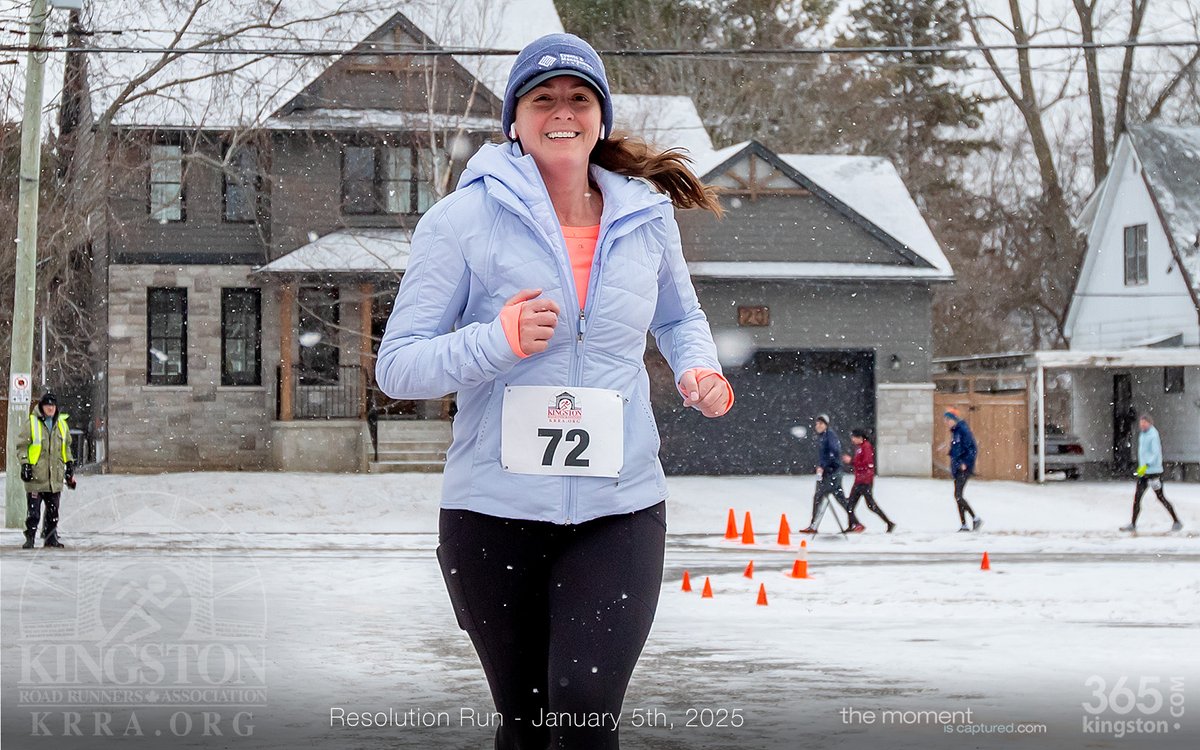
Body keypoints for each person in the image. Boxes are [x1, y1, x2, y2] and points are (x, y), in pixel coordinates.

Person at [374, 33, 733, 750]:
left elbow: (679, 314)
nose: (561, 111)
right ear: (514, 119)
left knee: (585, 706)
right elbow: (398, 367)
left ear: (599, 116)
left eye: (579, 98)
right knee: (529, 720)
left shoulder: (645, 215)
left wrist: (699, 367)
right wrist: (496, 341)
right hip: (491, 512)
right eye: (543, 99)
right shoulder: (461, 221)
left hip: (619, 505)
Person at [17, 392, 76, 549]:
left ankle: (51, 538)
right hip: (37, 476)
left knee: (53, 512)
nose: (50, 408)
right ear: (41, 407)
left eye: (52, 405)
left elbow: (66, 447)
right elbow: (22, 446)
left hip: (54, 477)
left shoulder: (62, 425)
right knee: (33, 513)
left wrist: (69, 464)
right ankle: (30, 537)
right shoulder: (31, 423)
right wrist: (25, 464)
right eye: (47, 405)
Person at [1121, 415, 1183, 533]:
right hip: (1144, 472)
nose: (1142, 425)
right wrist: (1142, 467)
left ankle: (1176, 521)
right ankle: (1133, 524)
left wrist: (1147, 465)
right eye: (1141, 423)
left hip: (1154, 473)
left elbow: (1155, 453)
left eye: (1144, 423)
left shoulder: (1153, 435)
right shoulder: (1143, 435)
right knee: (1137, 498)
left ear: (1150, 423)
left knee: (1160, 497)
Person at [800, 414, 855, 533]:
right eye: (816, 423)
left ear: (826, 425)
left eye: (820, 423)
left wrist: (823, 466)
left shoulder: (829, 436)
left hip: (832, 472)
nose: (817, 426)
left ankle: (814, 525)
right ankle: (854, 522)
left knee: (820, 497)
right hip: (830, 472)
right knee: (837, 498)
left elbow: (833, 453)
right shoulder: (823, 437)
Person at [843, 428, 895, 533]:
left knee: (868, 505)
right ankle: (852, 525)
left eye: (854, 437)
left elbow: (867, 463)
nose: (852, 439)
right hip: (859, 480)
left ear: (859, 437)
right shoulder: (859, 448)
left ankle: (889, 523)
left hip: (865, 481)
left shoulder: (866, 447)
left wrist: (851, 461)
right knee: (851, 505)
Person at [944, 408, 982, 532]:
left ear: (953, 419)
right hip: (957, 468)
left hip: (964, 468)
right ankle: (964, 524)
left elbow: (972, 448)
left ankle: (975, 518)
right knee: (958, 496)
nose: (946, 422)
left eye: (948, 419)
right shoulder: (955, 432)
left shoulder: (963, 431)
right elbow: (957, 450)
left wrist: (965, 462)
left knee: (958, 495)